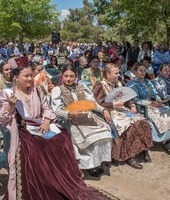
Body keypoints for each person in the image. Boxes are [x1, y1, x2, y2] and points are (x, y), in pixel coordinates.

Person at [0, 66, 116, 200]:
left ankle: (63, 177)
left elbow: (47, 108)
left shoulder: (37, 90)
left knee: (63, 138)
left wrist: (47, 122)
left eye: (31, 75)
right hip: (24, 130)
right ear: (16, 77)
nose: (30, 78)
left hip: (42, 125)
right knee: (38, 147)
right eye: (26, 76)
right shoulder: (7, 93)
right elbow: (3, 120)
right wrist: (10, 105)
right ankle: (47, 181)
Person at [51, 64, 112, 177]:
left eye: (71, 76)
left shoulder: (82, 87)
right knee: (87, 137)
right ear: (62, 76)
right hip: (70, 119)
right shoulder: (57, 90)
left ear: (76, 76)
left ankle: (98, 161)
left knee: (105, 130)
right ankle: (89, 165)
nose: (68, 79)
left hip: (86, 116)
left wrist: (103, 110)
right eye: (66, 76)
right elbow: (56, 110)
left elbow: (92, 103)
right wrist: (69, 113)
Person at [93, 63, 153, 169]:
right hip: (110, 112)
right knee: (131, 126)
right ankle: (130, 156)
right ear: (107, 74)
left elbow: (127, 98)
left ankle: (143, 149)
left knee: (143, 121)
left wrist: (132, 105)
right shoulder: (100, 85)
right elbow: (98, 103)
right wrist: (113, 104)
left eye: (118, 73)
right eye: (115, 73)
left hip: (123, 110)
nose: (118, 75)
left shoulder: (119, 83)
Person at [126, 63, 170, 153]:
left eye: (144, 70)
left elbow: (155, 93)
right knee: (159, 116)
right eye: (140, 71)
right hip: (144, 106)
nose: (143, 73)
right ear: (134, 72)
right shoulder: (131, 83)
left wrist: (158, 100)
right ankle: (165, 141)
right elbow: (134, 99)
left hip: (154, 103)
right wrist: (149, 103)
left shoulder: (147, 81)